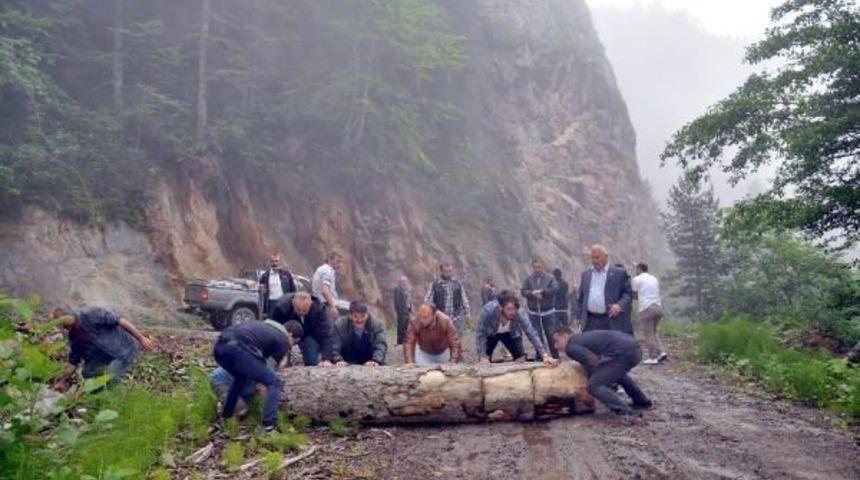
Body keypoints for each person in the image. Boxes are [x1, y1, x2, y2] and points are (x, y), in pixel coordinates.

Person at [213, 319, 303, 432]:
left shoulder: (264, 326)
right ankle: (269, 426)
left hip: (219, 347)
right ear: (290, 334)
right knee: (275, 382)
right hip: (239, 350)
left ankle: (226, 416)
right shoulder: (283, 339)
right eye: (293, 343)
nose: (290, 347)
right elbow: (269, 368)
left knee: (240, 379)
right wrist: (281, 363)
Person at [552, 327, 652, 418]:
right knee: (616, 374)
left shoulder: (571, 346)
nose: (555, 346)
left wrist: (588, 388)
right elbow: (592, 362)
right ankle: (642, 401)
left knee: (594, 385)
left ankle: (627, 413)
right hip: (634, 348)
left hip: (623, 353)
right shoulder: (580, 339)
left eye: (557, 341)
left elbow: (592, 361)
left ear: (565, 336)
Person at [51, 306, 155, 390]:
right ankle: (97, 396)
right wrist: (62, 381)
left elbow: (120, 320)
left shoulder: (91, 314)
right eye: (60, 325)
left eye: (62, 322)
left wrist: (141, 338)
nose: (62, 327)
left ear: (69, 315)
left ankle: (115, 404)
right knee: (88, 372)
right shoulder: (73, 336)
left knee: (112, 376)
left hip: (123, 348)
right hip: (103, 353)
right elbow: (73, 361)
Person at [475, 290, 558, 366]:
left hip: (511, 334)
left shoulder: (520, 313)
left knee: (521, 360)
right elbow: (481, 334)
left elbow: (531, 333)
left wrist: (544, 355)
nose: (512, 312)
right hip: (491, 335)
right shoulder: (488, 311)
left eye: (514, 309)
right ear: (501, 307)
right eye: (509, 309)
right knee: (485, 362)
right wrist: (482, 355)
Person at [576, 245, 633, 334]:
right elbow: (581, 298)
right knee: (591, 347)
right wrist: (580, 317)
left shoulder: (619, 273)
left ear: (606, 257)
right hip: (590, 322)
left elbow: (628, 294)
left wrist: (619, 306)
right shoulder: (586, 274)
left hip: (609, 320)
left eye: (597, 257)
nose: (594, 261)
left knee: (609, 346)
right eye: (592, 258)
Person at [271, 292, 335, 367]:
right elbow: (273, 328)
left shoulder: (319, 310)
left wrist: (326, 359)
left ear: (311, 304)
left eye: (304, 310)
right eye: (298, 309)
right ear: (293, 304)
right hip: (286, 333)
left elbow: (326, 334)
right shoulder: (281, 308)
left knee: (312, 361)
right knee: (279, 362)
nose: (301, 313)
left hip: (308, 334)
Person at [521, 257, 560, 358]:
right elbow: (523, 291)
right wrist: (531, 293)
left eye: (539, 267)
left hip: (548, 311)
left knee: (551, 334)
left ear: (543, 266)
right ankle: (541, 356)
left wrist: (543, 292)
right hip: (533, 312)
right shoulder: (528, 279)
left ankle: (555, 355)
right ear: (532, 268)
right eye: (535, 267)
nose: (537, 269)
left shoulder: (550, 278)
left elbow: (555, 289)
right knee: (537, 335)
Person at [331, 302, 387, 366]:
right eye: (355, 316)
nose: (359, 320)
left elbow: (380, 344)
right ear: (350, 315)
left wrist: (376, 360)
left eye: (363, 316)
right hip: (346, 360)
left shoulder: (376, 325)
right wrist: (338, 359)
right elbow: (334, 344)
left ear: (367, 315)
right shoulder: (339, 325)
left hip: (370, 360)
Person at [632, 262, 667, 364]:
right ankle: (661, 352)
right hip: (658, 307)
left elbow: (634, 295)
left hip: (647, 308)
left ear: (639, 269)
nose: (635, 270)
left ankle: (653, 357)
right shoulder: (654, 278)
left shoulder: (636, 279)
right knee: (654, 331)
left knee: (648, 333)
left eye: (636, 268)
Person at [424, 262, 470, 336]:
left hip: (455, 318)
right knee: (441, 342)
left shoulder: (457, 284)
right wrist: (431, 309)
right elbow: (426, 299)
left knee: (455, 342)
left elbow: (464, 299)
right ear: (441, 271)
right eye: (446, 271)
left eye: (450, 271)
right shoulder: (435, 284)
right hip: (440, 319)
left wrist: (467, 314)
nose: (448, 273)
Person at [312, 252, 343, 319]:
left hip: (321, 303)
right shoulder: (327, 270)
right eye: (338, 261)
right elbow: (325, 290)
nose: (340, 264)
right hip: (325, 304)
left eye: (341, 262)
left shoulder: (323, 269)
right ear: (330, 260)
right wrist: (333, 307)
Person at [393, 275, 413, 346]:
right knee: (401, 326)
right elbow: (397, 301)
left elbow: (409, 300)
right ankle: (400, 341)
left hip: (407, 310)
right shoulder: (397, 289)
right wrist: (399, 311)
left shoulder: (406, 289)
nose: (405, 282)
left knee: (406, 326)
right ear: (400, 282)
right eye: (403, 281)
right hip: (401, 311)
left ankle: (405, 340)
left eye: (405, 281)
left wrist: (410, 309)